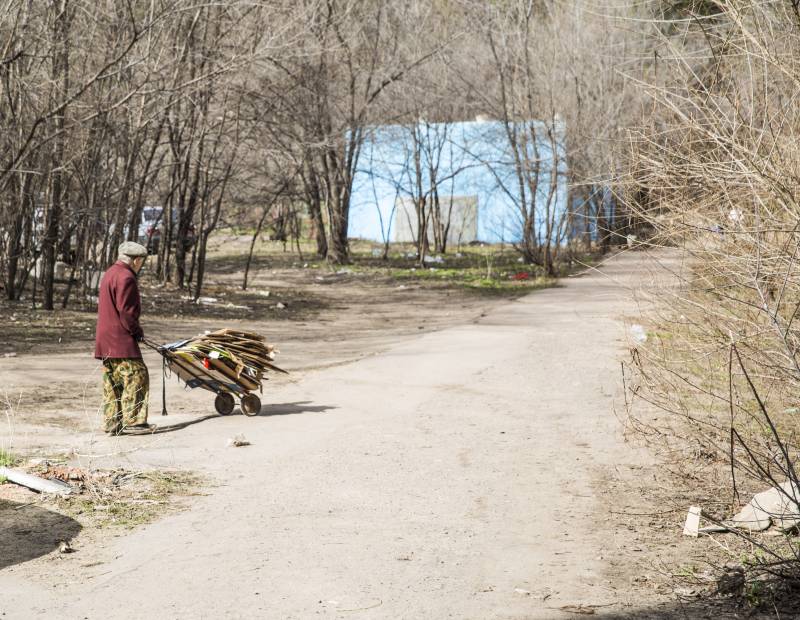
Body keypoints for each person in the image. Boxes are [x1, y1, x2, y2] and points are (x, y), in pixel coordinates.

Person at [95, 241, 154, 435]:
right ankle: (134, 421)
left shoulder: (110, 273)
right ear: (136, 260)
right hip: (120, 339)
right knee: (137, 376)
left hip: (105, 340)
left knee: (112, 382)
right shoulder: (127, 277)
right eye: (141, 262)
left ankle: (113, 422)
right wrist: (137, 332)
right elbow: (126, 313)